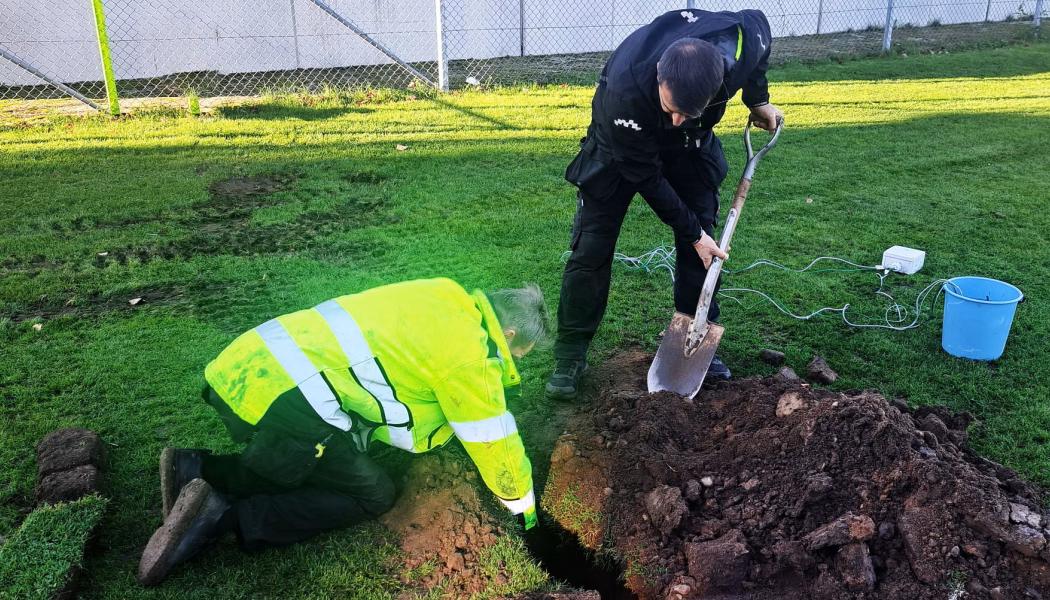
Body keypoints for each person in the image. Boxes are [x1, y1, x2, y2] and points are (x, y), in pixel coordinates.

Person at [138, 278, 550, 585]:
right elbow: (492, 440)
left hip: (243, 369)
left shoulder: (444, 294)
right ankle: (224, 517)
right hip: (287, 397)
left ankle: (194, 469)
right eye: (518, 355)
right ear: (509, 334)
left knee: (304, 461)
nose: (513, 363)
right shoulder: (470, 358)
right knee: (372, 492)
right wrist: (524, 510)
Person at [546, 8, 784, 401]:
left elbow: (760, 30)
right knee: (591, 248)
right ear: (660, 76)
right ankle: (570, 354)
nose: (675, 119)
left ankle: (696, 332)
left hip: (690, 149)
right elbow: (646, 177)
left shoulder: (739, 48)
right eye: (670, 108)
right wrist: (691, 232)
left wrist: (757, 99)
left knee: (703, 251)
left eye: (685, 112)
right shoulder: (625, 90)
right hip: (619, 152)